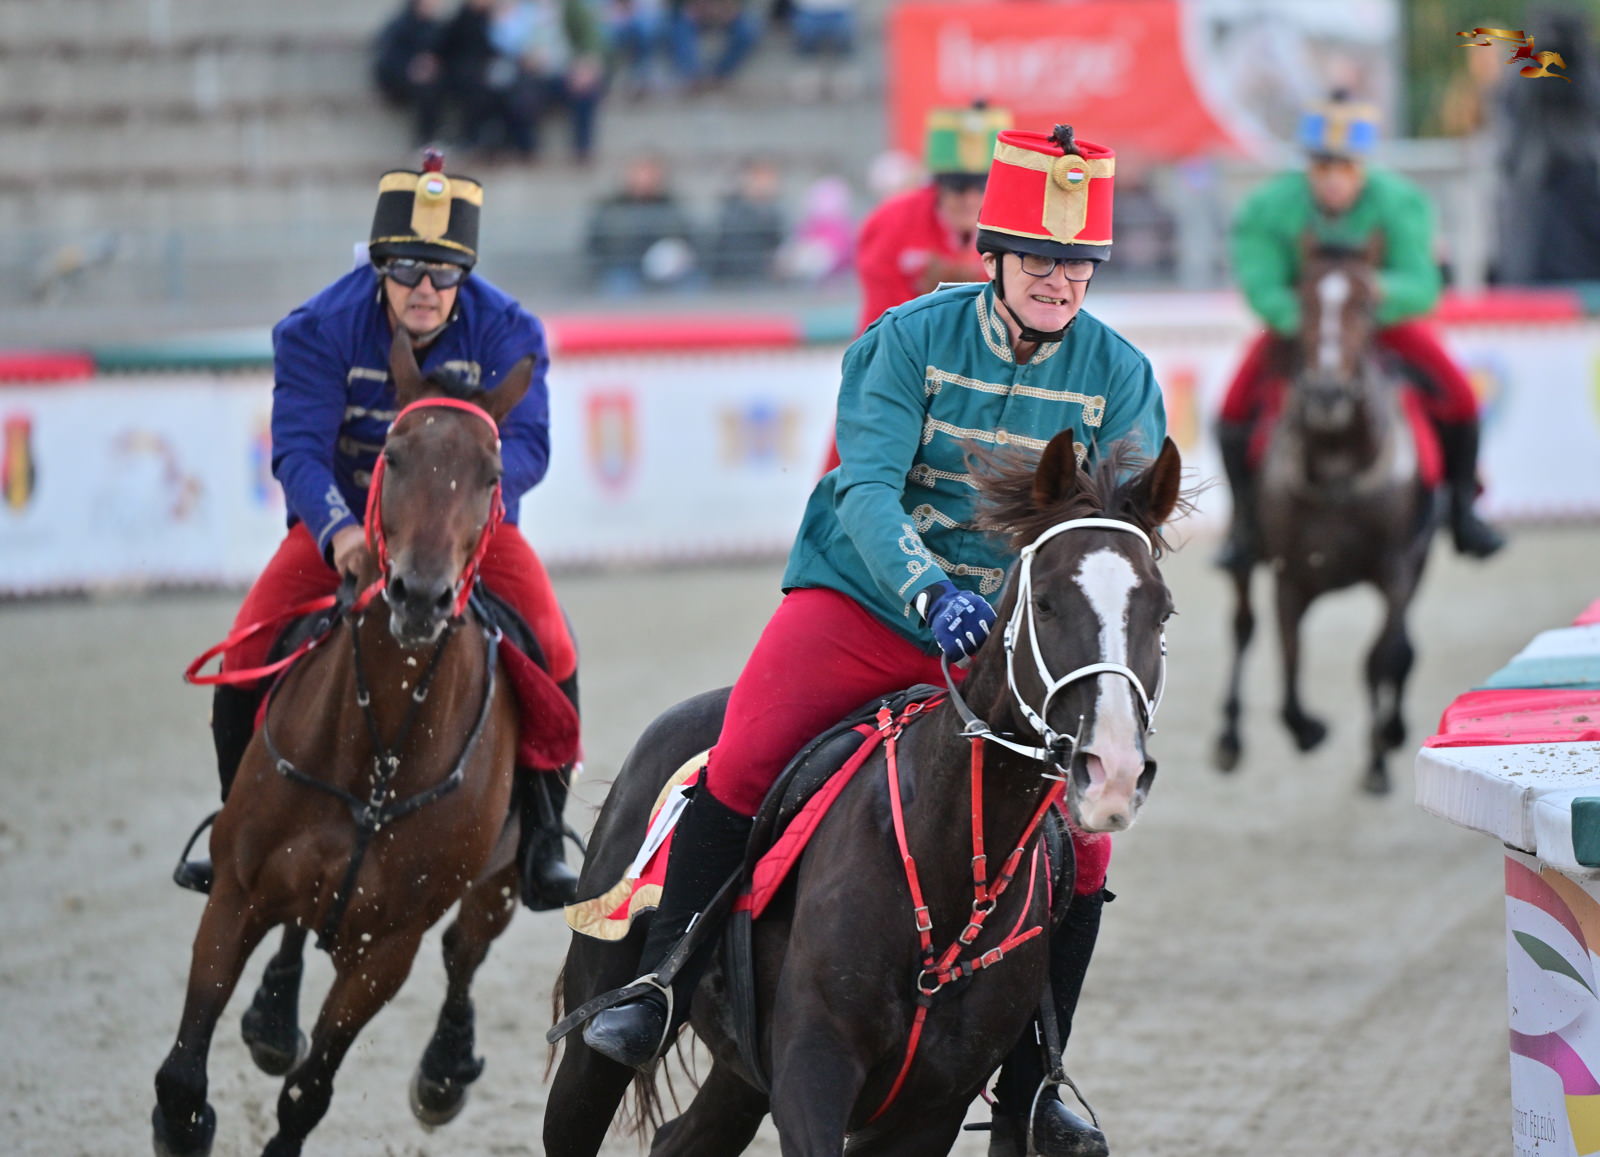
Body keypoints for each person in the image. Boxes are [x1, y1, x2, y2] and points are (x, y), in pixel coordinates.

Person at [582, 124, 1166, 1157]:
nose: (1059, 279)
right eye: (1039, 257)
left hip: (1009, 647)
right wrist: (930, 590)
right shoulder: (906, 340)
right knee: (742, 756)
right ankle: (660, 984)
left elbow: (1112, 534)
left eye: (1078, 261)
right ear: (994, 253)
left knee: (1087, 837)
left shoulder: (1121, 375)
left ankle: (1035, 1082)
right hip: (864, 605)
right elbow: (863, 489)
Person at [174, 151, 582, 913]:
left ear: (465, 274)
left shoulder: (511, 331)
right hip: (349, 521)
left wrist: (469, 511)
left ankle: (543, 842)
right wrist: (338, 533)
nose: (424, 288)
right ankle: (237, 828)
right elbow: (299, 450)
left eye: (444, 272)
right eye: (406, 269)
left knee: (555, 648)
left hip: (466, 526)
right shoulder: (317, 329)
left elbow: (529, 447)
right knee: (243, 653)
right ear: (378, 265)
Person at [1215, 91, 1505, 568]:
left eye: (1346, 166)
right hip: (1303, 326)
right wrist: (1318, 321)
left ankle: (1462, 510)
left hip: (1379, 324)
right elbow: (1262, 286)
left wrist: (1367, 299)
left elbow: (1421, 284)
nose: (1333, 178)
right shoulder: (1266, 208)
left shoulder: (1402, 203)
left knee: (1460, 394)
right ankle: (1244, 526)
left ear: (1362, 166)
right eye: (1322, 165)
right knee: (1233, 404)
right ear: (1308, 166)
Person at [816, 102, 1010, 472]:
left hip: (978, 378)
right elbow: (884, 320)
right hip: (894, 369)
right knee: (859, 470)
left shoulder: (1011, 228)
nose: (970, 198)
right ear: (937, 186)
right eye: (958, 187)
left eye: (981, 186)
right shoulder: (891, 223)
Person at [491, 0, 607, 163]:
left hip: (565, 71)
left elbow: (590, 39)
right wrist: (525, 59)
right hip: (529, 74)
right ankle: (526, 149)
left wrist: (585, 66)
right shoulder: (520, 8)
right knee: (519, 93)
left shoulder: (571, 7)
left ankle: (582, 148)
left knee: (586, 89)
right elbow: (506, 41)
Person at [585, 154, 700, 293]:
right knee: (619, 287)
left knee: (693, 284)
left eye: (650, 173)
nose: (645, 178)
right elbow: (596, 242)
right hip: (623, 267)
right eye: (640, 172)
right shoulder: (611, 207)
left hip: (667, 269)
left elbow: (686, 237)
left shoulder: (671, 205)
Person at [371, 0, 449, 146]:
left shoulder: (435, 28)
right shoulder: (399, 26)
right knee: (427, 90)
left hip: (427, 80)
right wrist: (412, 68)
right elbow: (387, 58)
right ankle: (424, 139)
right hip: (397, 80)